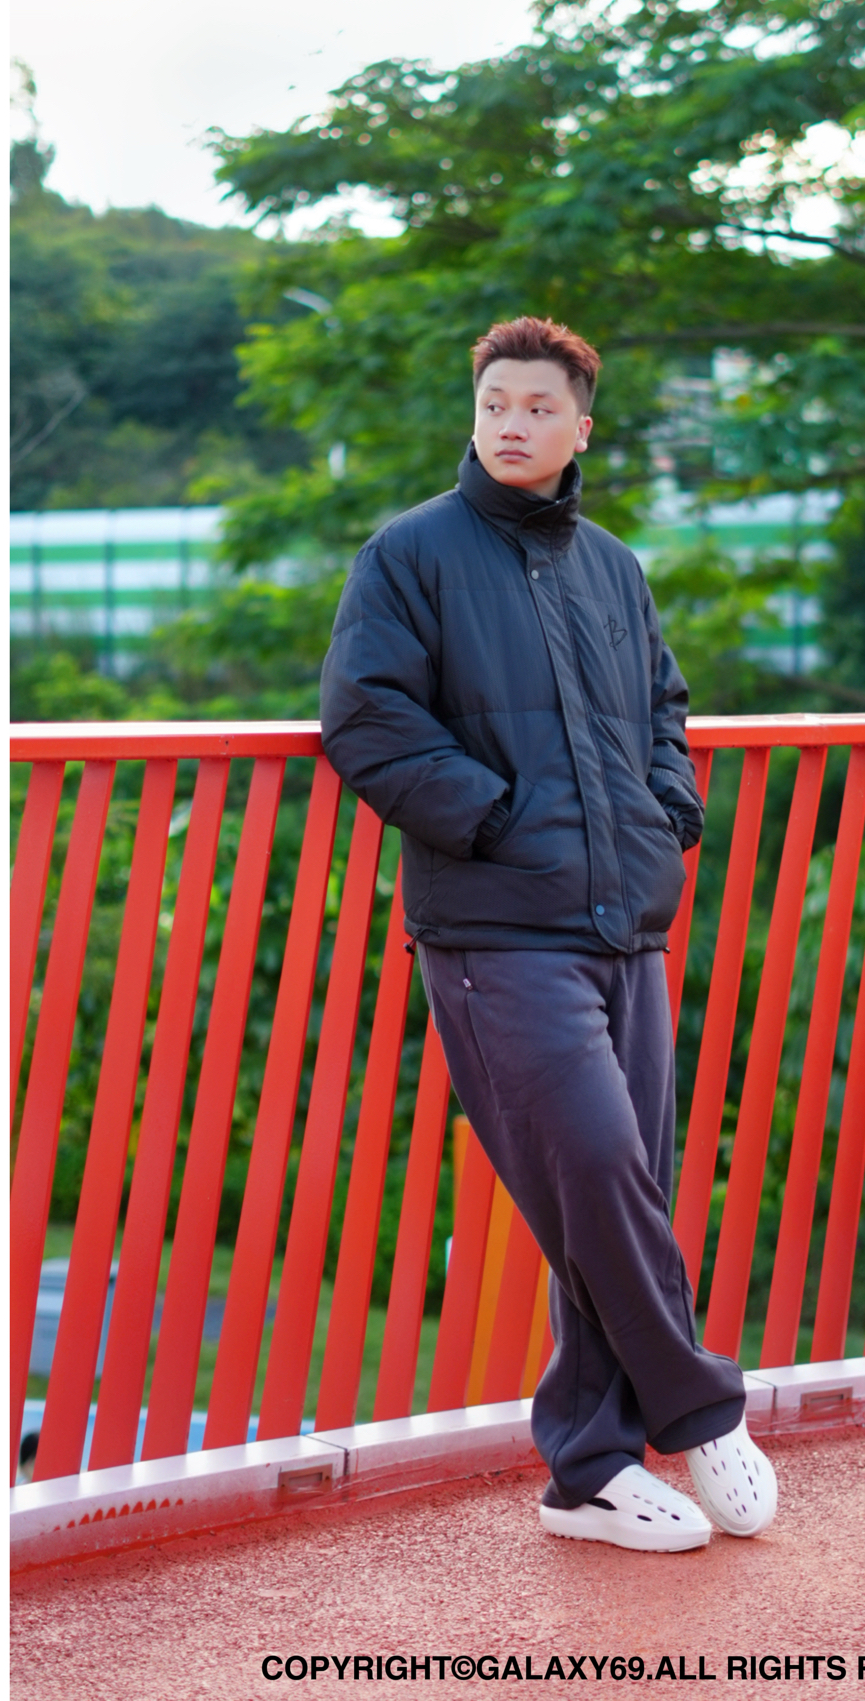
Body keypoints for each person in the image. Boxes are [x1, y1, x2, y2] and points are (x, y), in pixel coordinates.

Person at [320, 315, 777, 1553]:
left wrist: (667, 815)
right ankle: (700, 1409)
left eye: (536, 408)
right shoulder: (408, 554)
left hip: (625, 925)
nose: (511, 424)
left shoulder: (614, 566)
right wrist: (500, 821)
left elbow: (665, 707)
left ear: (582, 427)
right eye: (494, 405)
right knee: (595, 1163)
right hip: (495, 930)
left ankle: (587, 1473)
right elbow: (364, 717)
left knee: (616, 1190)